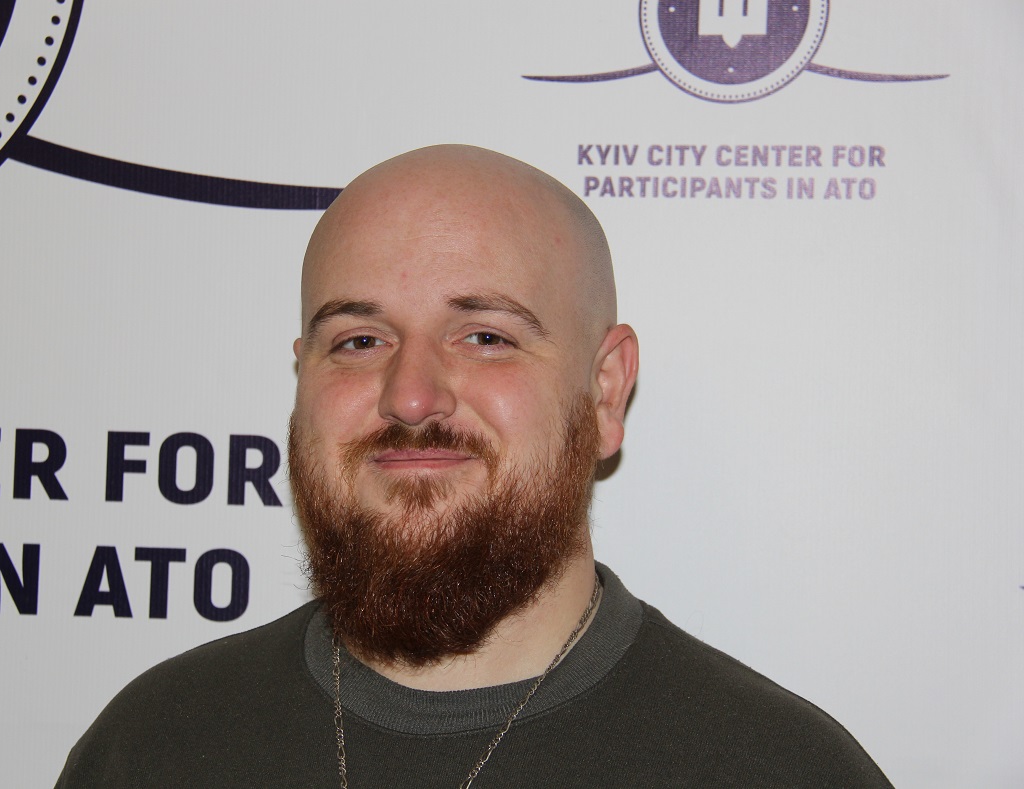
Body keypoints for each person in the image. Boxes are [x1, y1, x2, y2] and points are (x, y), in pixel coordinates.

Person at [55, 145, 892, 787]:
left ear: (606, 389)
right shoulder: (153, 748)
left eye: (486, 336)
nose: (411, 395)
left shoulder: (780, 770)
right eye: (359, 340)